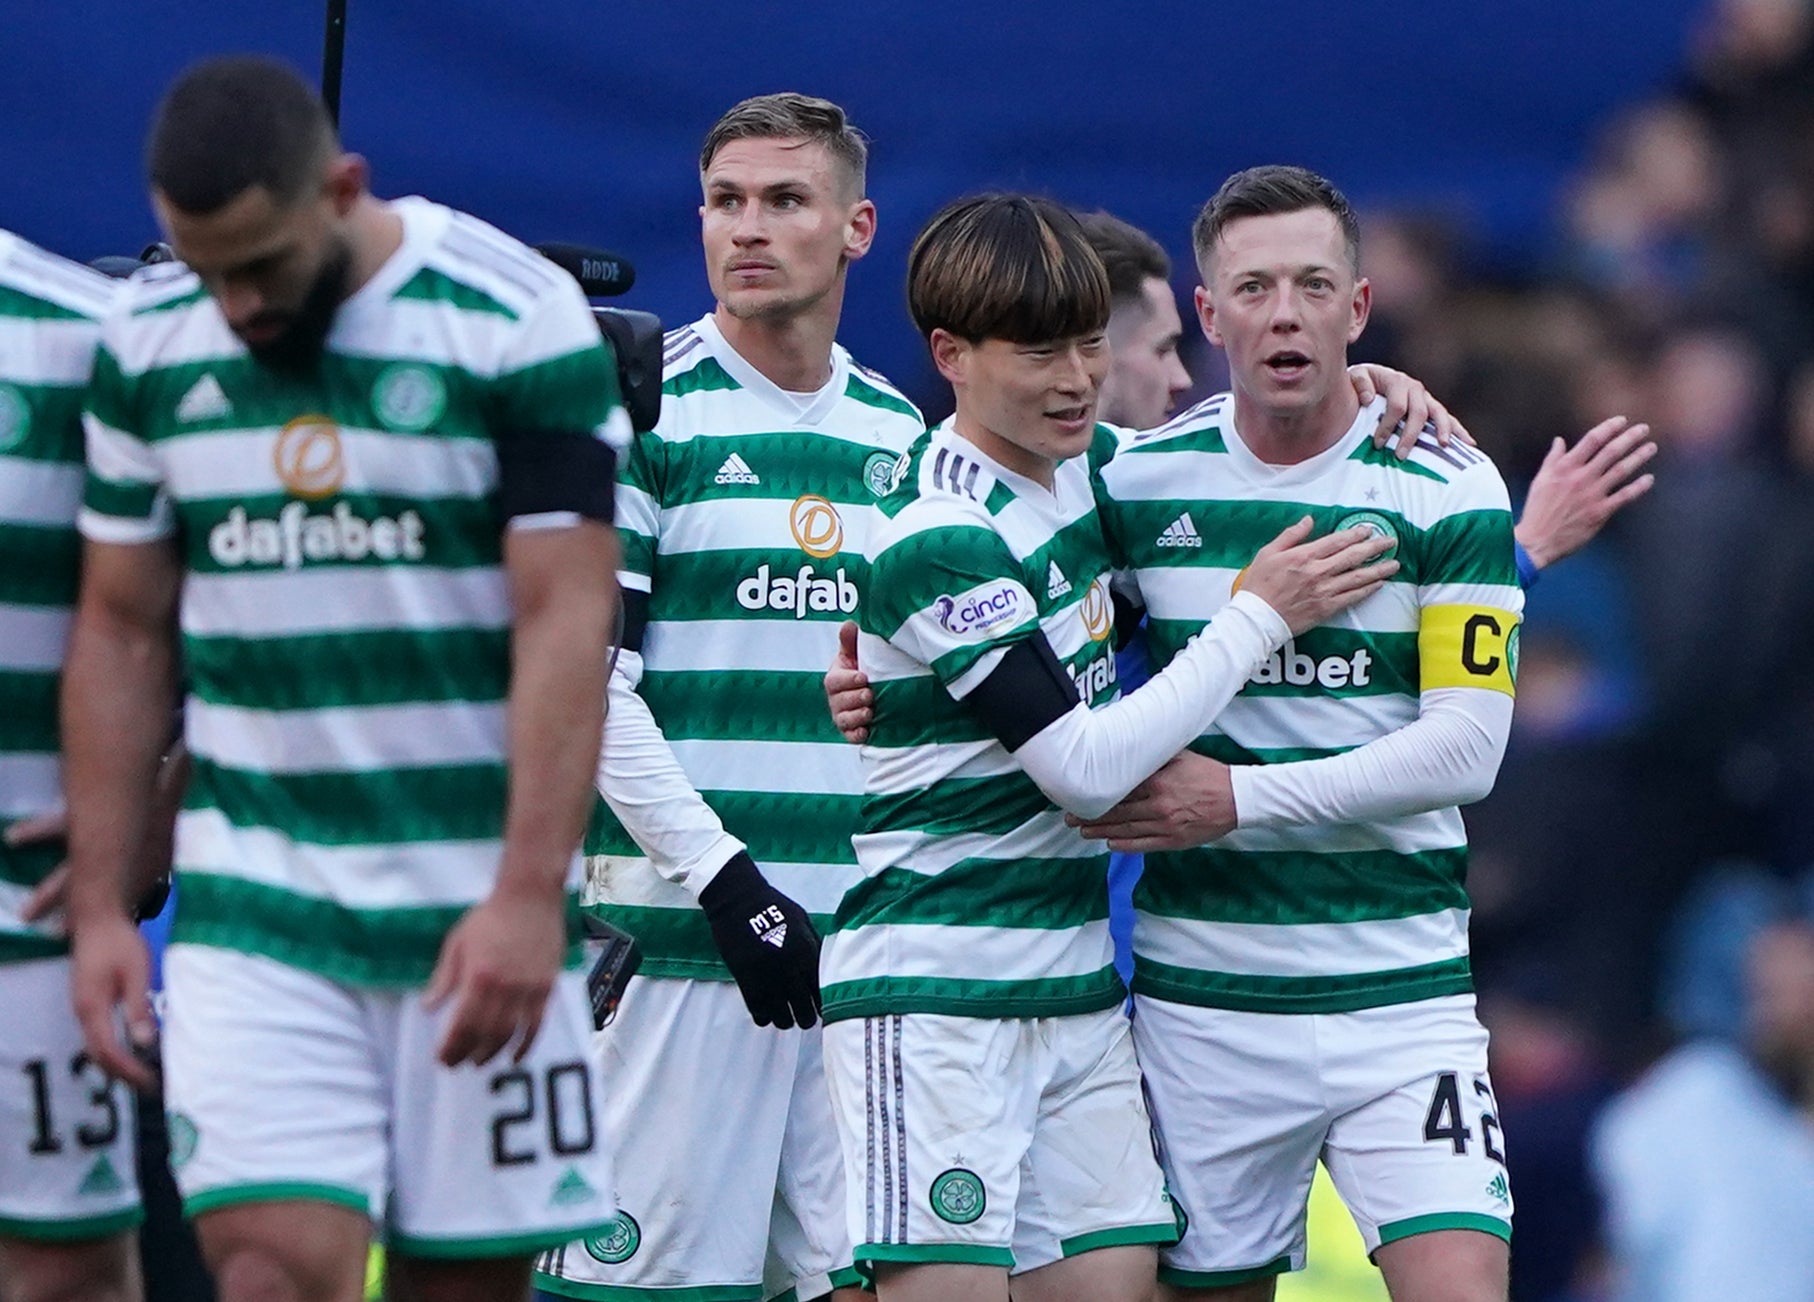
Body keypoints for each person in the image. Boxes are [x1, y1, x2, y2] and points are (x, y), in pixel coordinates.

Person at [61, 55, 625, 1302]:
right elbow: (121, 630)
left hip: (472, 898)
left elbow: (566, 617)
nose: (238, 304)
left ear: (343, 188)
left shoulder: (509, 314)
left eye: (260, 265)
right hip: (256, 906)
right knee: (270, 1269)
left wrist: (533, 895)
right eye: (206, 271)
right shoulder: (150, 343)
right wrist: (101, 905)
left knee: (462, 1289)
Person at [818, 193, 1394, 1302]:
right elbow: (1079, 768)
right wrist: (1256, 616)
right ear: (950, 354)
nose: (1077, 379)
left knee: (1117, 1286)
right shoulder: (939, 535)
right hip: (938, 991)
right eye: (1037, 353)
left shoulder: (1089, 469)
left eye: (1088, 344)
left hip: (1074, 988)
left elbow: (1247, 462)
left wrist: (1371, 388)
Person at [1079, 165, 1526, 1302]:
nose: (1285, 312)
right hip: (1202, 1010)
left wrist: (1231, 799)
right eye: (1256, 287)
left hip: (1399, 995)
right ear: (1207, 313)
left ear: (1358, 309)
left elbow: (1465, 751)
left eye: (1313, 286)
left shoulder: (1445, 483)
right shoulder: (1133, 484)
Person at [533, 92, 922, 1302]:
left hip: (854, 972)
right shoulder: (642, 408)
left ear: (855, 228)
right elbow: (585, 682)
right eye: (724, 202)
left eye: (783, 202)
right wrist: (730, 887)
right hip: (678, 952)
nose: (745, 229)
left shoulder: (900, 436)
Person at [0, 229, 145, 1302]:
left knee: (66, 1270)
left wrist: (139, 829)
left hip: (25, 912)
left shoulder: (81, 337)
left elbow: (191, 621)